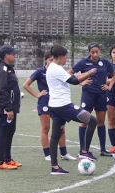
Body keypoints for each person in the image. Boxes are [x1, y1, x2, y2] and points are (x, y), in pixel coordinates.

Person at [46, 45, 98, 174]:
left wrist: (84, 74)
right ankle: (84, 152)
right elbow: (74, 81)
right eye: (66, 57)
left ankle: (55, 167)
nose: (67, 59)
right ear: (61, 56)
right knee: (92, 120)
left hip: (55, 106)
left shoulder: (53, 67)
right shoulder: (56, 68)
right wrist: (90, 73)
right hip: (63, 106)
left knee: (55, 136)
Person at [23, 50, 76, 161]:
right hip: (45, 103)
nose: (52, 62)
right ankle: (47, 154)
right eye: (50, 60)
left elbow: (70, 79)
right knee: (45, 128)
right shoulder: (39, 72)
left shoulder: (58, 70)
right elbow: (26, 85)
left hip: (57, 103)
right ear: (46, 60)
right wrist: (37, 95)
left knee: (61, 128)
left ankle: (64, 153)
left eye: (53, 60)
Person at [70, 43, 115, 157]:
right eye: (92, 52)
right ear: (89, 52)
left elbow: (114, 75)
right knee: (84, 122)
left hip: (101, 95)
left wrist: (109, 86)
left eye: (97, 52)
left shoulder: (105, 62)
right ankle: (83, 149)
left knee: (101, 122)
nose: (95, 54)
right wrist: (81, 82)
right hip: (88, 95)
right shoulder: (83, 62)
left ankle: (103, 149)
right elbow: (70, 74)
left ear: (100, 51)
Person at [0, 45, 22, 170]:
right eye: (13, 54)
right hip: (4, 107)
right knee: (3, 132)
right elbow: (1, 90)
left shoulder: (8, 68)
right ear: (6, 56)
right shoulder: (1, 69)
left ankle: (8, 159)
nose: (15, 56)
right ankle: (1, 161)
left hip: (11, 107)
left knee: (10, 132)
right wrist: (8, 108)